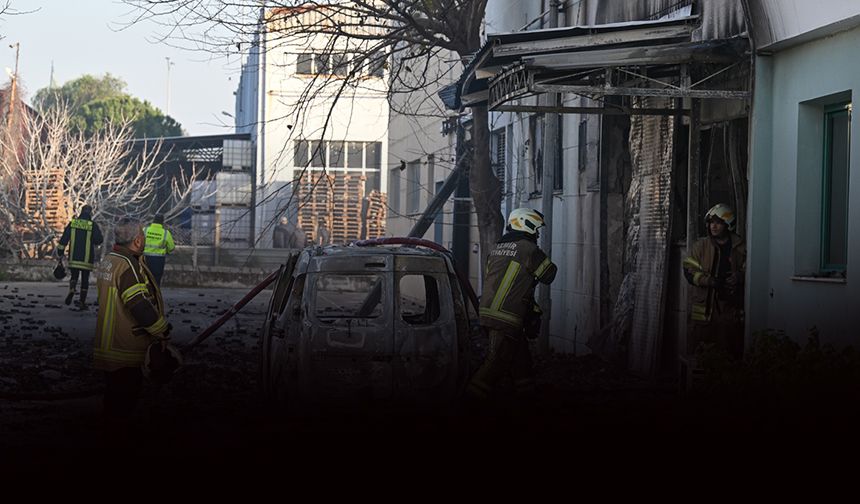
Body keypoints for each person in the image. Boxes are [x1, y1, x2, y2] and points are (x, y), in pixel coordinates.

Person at [468, 208, 557, 401]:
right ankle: (468, 402)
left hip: (486, 312)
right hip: (505, 317)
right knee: (495, 362)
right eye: (536, 228)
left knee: (521, 360)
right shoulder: (528, 249)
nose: (538, 233)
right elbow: (549, 275)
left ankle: (526, 395)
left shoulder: (497, 249)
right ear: (525, 224)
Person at [92, 218, 171, 430]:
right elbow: (138, 305)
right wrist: (161, 330)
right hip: (125, 347)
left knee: (112, 398)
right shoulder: (129, 266)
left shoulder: (109, 260)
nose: (144, 239)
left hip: (107, 345)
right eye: (143, 236)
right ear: (137, 241)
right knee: (125, 401)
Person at [682, 203, 747, 362]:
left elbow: (751, 269)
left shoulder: (741, 247)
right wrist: (709, 281)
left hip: (729, 307)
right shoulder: (700, 246)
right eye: (711, 222)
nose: (714, 226)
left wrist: (739, 276)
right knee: (699, 353)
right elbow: (689, 271)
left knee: (727, 350)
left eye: (718, 222)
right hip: (703, 308)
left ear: (728, 224)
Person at [56, 204, 103, 310]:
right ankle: (82, 301)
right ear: (90, 213)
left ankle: (72, 290)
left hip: (74, 257)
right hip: (86, 259)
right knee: (85, 279)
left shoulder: (73, 223)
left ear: (81, 212)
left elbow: (64, 238)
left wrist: (60, 251)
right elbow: (99, 240)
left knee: (74, 276)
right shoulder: (92, 225)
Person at [143, 213, 175, 287]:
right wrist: (167, 251)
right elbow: (171, 248)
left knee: (143, 279)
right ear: (162, 222)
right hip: (158, 261)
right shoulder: (166, 233)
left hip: (144, 259)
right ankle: (155, 297)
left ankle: (143, 296)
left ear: (153, 221)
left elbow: (137, 243)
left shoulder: (145, 230)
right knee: (156, 281)